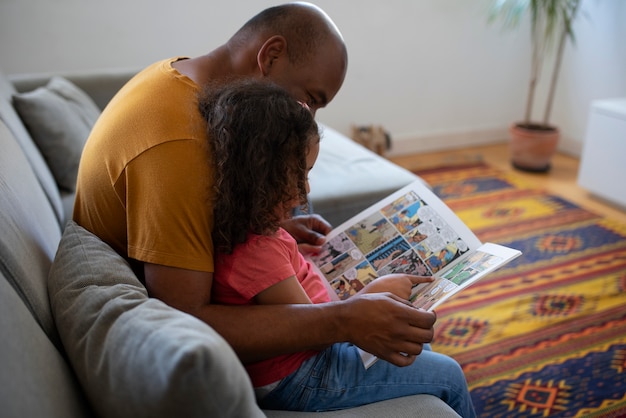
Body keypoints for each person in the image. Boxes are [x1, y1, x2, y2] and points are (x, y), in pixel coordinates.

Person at [73, 2, 471, 410]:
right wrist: (346, 320)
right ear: (271, 56)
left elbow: (196, 225)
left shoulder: (179, 79)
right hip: (273, 365)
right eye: (310, 99)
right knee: (444, 374)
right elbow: (187, 320)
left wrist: (263, 221)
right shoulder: (180, 146)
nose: (307, 116)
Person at [201, 79, 475, 416]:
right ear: (259, 177)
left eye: (309, 172)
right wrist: (369, 293)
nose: (305, 188)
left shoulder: (251, 229)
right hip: (304, 373)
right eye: (297, 175)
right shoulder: (257, 251)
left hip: (308, 355)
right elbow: (309, 330)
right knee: (448, 374)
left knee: (412, 339)